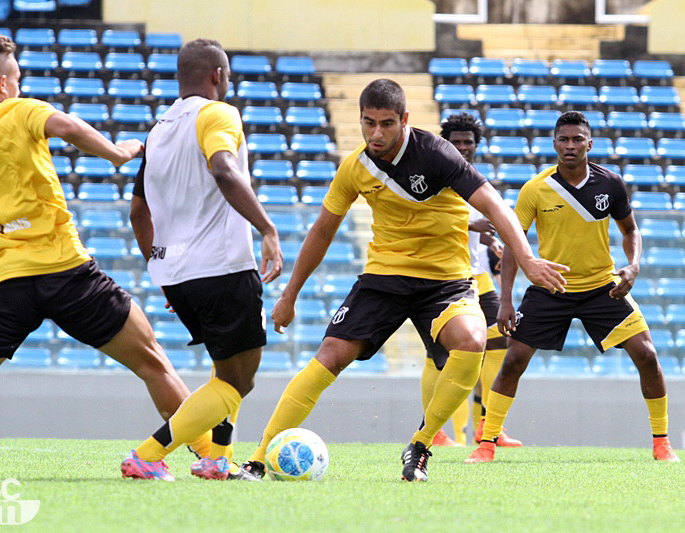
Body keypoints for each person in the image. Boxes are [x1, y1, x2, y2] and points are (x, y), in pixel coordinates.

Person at [0, 34, 214, 477]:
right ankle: (212, 457)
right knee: (153, 363)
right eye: (16, 78)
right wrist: (120, 153)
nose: (18, 86)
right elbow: (71, 129)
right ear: (3, 84)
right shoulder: (23, 111)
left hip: (6, 286)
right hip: (69, 275)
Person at [237, 79, 568, 483]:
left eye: (387, 124)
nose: (376, 133)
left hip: (445, 281)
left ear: (404, 120)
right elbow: (322, 231)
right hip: (384, 278)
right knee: (330, 354)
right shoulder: (355, 167)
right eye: (368, 122)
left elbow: (494, 204)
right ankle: (256, 459)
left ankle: (421, 445)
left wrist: (529, 260)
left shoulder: (438, 154)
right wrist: (289, 295)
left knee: (472, 341)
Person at [466, 111, 680, 464]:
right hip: (552, 288)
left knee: (648, 356)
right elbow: (514, 243)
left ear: (589, 144)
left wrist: (633, 266)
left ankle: (661, 443)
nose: (570, 145)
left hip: (602, 287)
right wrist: (505, 300)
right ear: (554, 144)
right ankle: (487, 443)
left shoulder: (609, 184)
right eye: (563, 139)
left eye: (577, 139)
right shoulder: (536, 188)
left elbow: (631, 231)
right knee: (513, 360)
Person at [125, 38, 283, 482]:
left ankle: (216, 458)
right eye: (227, 75)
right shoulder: (218, 114)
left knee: (224, 364)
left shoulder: (158, 131)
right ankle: (148, 454)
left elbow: (138, 211)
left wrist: (164, 270)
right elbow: (224, 169)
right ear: (217, 75)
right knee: (239, 379)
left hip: (178, 272)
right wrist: (268, 229)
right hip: (223, 266)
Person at [428, 113, 522, 448]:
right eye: (457, 141)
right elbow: (426, 218)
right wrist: (473, 226)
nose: (464, 147)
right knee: (438, 355)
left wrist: (491, 245)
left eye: (469, 142)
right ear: (446, 143)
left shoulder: (475, 179)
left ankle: (486, 425)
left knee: (502, 337)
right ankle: (436, 431)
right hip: (442, 275)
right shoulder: (433, 173)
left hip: (476, 273)